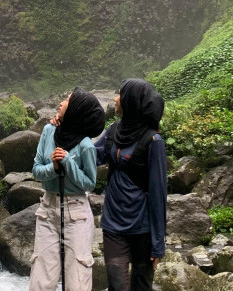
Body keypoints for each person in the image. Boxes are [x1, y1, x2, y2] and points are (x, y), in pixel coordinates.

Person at [30, 88, 106, 291]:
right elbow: (36, 170)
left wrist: (68, 164)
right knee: (41, 280)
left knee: (77, 280)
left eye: (67, 101)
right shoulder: (48, 131)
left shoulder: (86, 146)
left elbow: (89, 183)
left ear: (76, 111)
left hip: (76, 213)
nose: (61, 102)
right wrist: (54, 168)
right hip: (47, 210)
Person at [95, 78, 167, 291]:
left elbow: (158, 194)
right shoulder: (114, 130)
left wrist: (158, 244)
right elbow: (91, 154)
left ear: (131, 102)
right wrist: (65, 130)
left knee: (141, 286)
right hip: (113, 226)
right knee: (117, 286)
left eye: (120, 95)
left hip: (142, 229)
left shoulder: (153, 141)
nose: (115, 99)